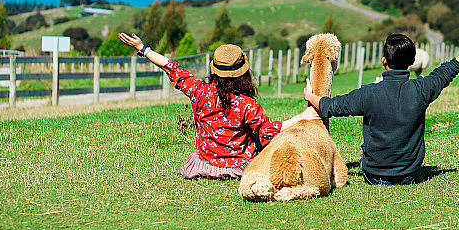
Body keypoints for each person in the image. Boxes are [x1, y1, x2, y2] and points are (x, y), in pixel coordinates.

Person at [303, 19, 459, 185]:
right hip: (410, 175)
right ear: (412, 61)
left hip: (373, 176)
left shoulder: (368, 93)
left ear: (384, 61)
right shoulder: (422, 89)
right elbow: (455, 64)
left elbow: (330, 107)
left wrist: (311, 96)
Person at [118, 33, 318, 180]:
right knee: (262, 140)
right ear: (243, 73)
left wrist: (143, 48)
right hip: (239, 165)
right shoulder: (247, 105)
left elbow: (171, 68)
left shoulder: (199, 91)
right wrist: (303, 116)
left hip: (204, 163)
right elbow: (267, 131)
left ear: (214, 70)